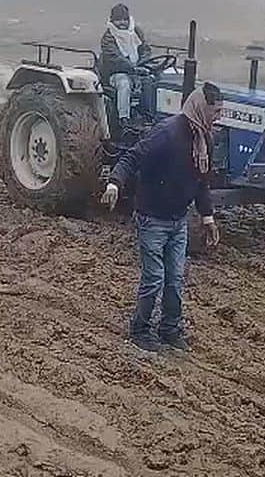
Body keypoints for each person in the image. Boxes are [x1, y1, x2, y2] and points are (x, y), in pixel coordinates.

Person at [101, 83, 222, 352]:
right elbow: (132, 157)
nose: (219, 117)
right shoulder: (166, 134)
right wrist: (114, 183)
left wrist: (208, 217)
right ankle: (140, 330)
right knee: (154, 277)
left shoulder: (204, 140)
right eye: (216, 111)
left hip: (178, 220)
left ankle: (170, 330)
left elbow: (202, 181)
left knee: (175, 278)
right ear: (202, 108)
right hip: (152, 218)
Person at [99, 3, 152, 127]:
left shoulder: (136, 32)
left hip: (137, 70)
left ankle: (148, 116)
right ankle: (124, 119)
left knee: (150, 81)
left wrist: (143, 63)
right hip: (116, 72)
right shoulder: (108, 37)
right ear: (112, 21)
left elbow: (145, 49)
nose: (122, 22)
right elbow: (115, 58)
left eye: (125, 19)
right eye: (118, 20)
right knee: (124, 84)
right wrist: (132, 68)